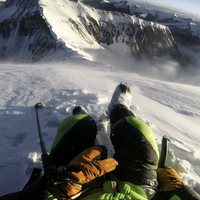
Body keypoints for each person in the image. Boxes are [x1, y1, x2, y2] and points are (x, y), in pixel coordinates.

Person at [0, 83, 200, 200]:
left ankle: (82, 119)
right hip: (138, 190)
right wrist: (178, 189)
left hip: (77, 193)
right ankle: (117, 110)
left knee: (79, 125)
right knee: (136, 130)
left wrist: (51, 188)